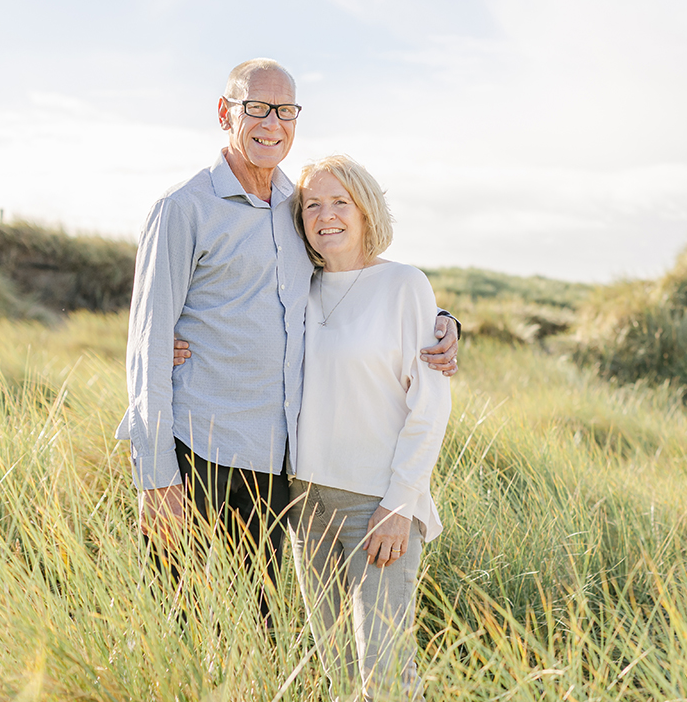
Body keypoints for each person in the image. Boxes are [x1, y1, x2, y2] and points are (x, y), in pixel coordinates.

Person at [115, 58, 458, 622]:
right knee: (174, 623)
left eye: (285, 110)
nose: (271, 122)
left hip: (276, 470)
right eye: (256, 108)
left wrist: (438, 320)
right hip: (195, 455)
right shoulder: (182, 209)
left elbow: (348, 278)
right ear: (226, 114)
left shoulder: (295, 208)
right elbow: (148, 346)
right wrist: (156, 479)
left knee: (259, 630)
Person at [288, 155, 451, 701]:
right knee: (337, 673)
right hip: (304, 500)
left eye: (341, 203)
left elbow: (430, 406)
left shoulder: (405, 285)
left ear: (365, 211)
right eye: (313, 204)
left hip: (377, 504)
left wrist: (399, 505)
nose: (326, 215)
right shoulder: (296, 290)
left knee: (382, 677)